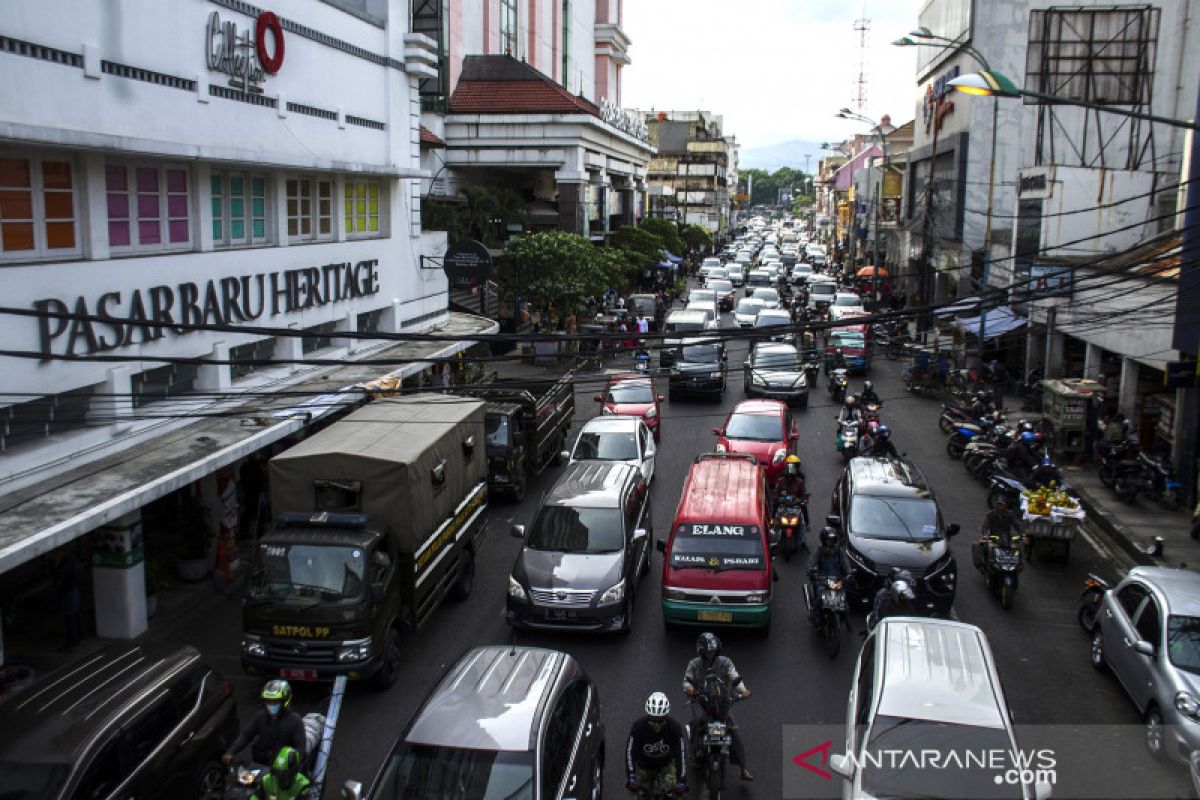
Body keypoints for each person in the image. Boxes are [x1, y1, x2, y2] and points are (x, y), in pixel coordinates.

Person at [683, 633, 753, 782]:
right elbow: (686, 683)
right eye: (708, 651)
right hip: (702, 702)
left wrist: (743, 691)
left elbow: (734, 677)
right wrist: (692, 691)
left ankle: (743, 769)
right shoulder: (694, 664)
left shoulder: (726, 662)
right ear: (701, 651)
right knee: (696, 725)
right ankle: (693, 753)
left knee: (733, 731)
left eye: (713, 651)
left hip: (722, 702)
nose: (711, 653)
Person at [224, 680, 307, 768]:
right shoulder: (261, 716)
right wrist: (231, 752)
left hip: (282, 769)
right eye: (268, 702)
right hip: (260, 764)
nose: (271, 705)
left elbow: (300, 748)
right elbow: (246, 735)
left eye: (275, 702)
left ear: (284, 701)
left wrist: (290, 764)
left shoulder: (295, 721)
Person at [626, 692, 688, 797]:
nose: (656, 722)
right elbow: (629, 752)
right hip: (644, 767)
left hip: (666, 766)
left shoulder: (675, 727)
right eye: (653, 718)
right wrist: (631, 776)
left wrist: (681, 780)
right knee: (641, 794)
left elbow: (681, 753)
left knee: (672, 793)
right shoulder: (638, 726)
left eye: (660, 718)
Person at [807, 528, 848, 625]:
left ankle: (845, 620)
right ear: (824, 540)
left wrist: (849, 574)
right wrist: (813, 573)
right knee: (818, 602)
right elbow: (810, 564)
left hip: (837, 582)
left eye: (833, 540)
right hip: (823, 582)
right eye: (829, 540)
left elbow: (846, 565)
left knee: (845, 604)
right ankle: (815, 618)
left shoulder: (839, 551)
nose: (831, 543)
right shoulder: (819, 551)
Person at [977, 496, 1026, 564]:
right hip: (994, 538)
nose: (1000, 506)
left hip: (1007, 539)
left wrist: (1022, 535)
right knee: (987, 550)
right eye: (998, 504)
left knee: (1016, 553)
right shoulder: (990, 515)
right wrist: (985, 535)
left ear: (1005, 505)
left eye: (1002, 505)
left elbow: (1017, 525)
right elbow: (985, 526)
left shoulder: (1010, 514)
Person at [53, 546, 82, 652]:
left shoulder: (66, 564)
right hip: (73, 591)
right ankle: (76, 638)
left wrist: (56, 566)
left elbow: (60, 578)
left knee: (70, 619)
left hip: (68, 593)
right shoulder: (74, 562)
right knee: (74, 616)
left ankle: (71, 642)